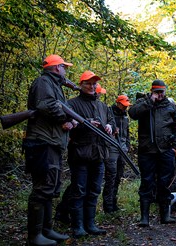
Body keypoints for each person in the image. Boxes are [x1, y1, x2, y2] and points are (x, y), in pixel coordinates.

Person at [23, 54, 74, 245]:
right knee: (43, 187)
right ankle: (35, 235)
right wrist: (66, 118)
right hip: (41, 143)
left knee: (51, 187)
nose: (65, 70)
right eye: (64, 67)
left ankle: (47, 230)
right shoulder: (44, 82)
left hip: (51, 142)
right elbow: (48, 106)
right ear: (56, 68)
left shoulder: (54, 85)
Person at [66, 70, 114, 238]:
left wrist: (109, 126)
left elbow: (113, 125)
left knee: (94, 190)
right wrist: (83, 125)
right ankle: (77, 226)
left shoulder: (102, 106)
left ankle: (90, 224)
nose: (92, 86)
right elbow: (67, 128)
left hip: (99, 155)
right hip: (80, 154)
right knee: (79, 190)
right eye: (88, 83)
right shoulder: (71, 104)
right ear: (81, 85)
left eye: (94, 83)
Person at [129, 80, 176, 226]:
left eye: (161, 92)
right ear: (152, 91)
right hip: (147, 151)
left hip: (166, 150)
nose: (159, 94)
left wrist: (175, 146)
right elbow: (132, 113)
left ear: (165, 91)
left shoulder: (171, 105)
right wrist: (149, 102)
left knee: (165, 183)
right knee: (147, 182)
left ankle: (165, 215)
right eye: (156, 91)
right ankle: (144, 218)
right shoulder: (143, 102)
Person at [102, 94, 131, 213]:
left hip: (122, 150)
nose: (125, 108)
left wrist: (127, 146)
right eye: (123, 105)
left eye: (126, 106)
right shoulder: (109, 114)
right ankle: (107, 205)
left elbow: (127, 133)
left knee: (118, 176)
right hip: (112, 149)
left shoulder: (125, 117)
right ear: (118, 103)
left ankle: (114, 203)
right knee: (111, 176)